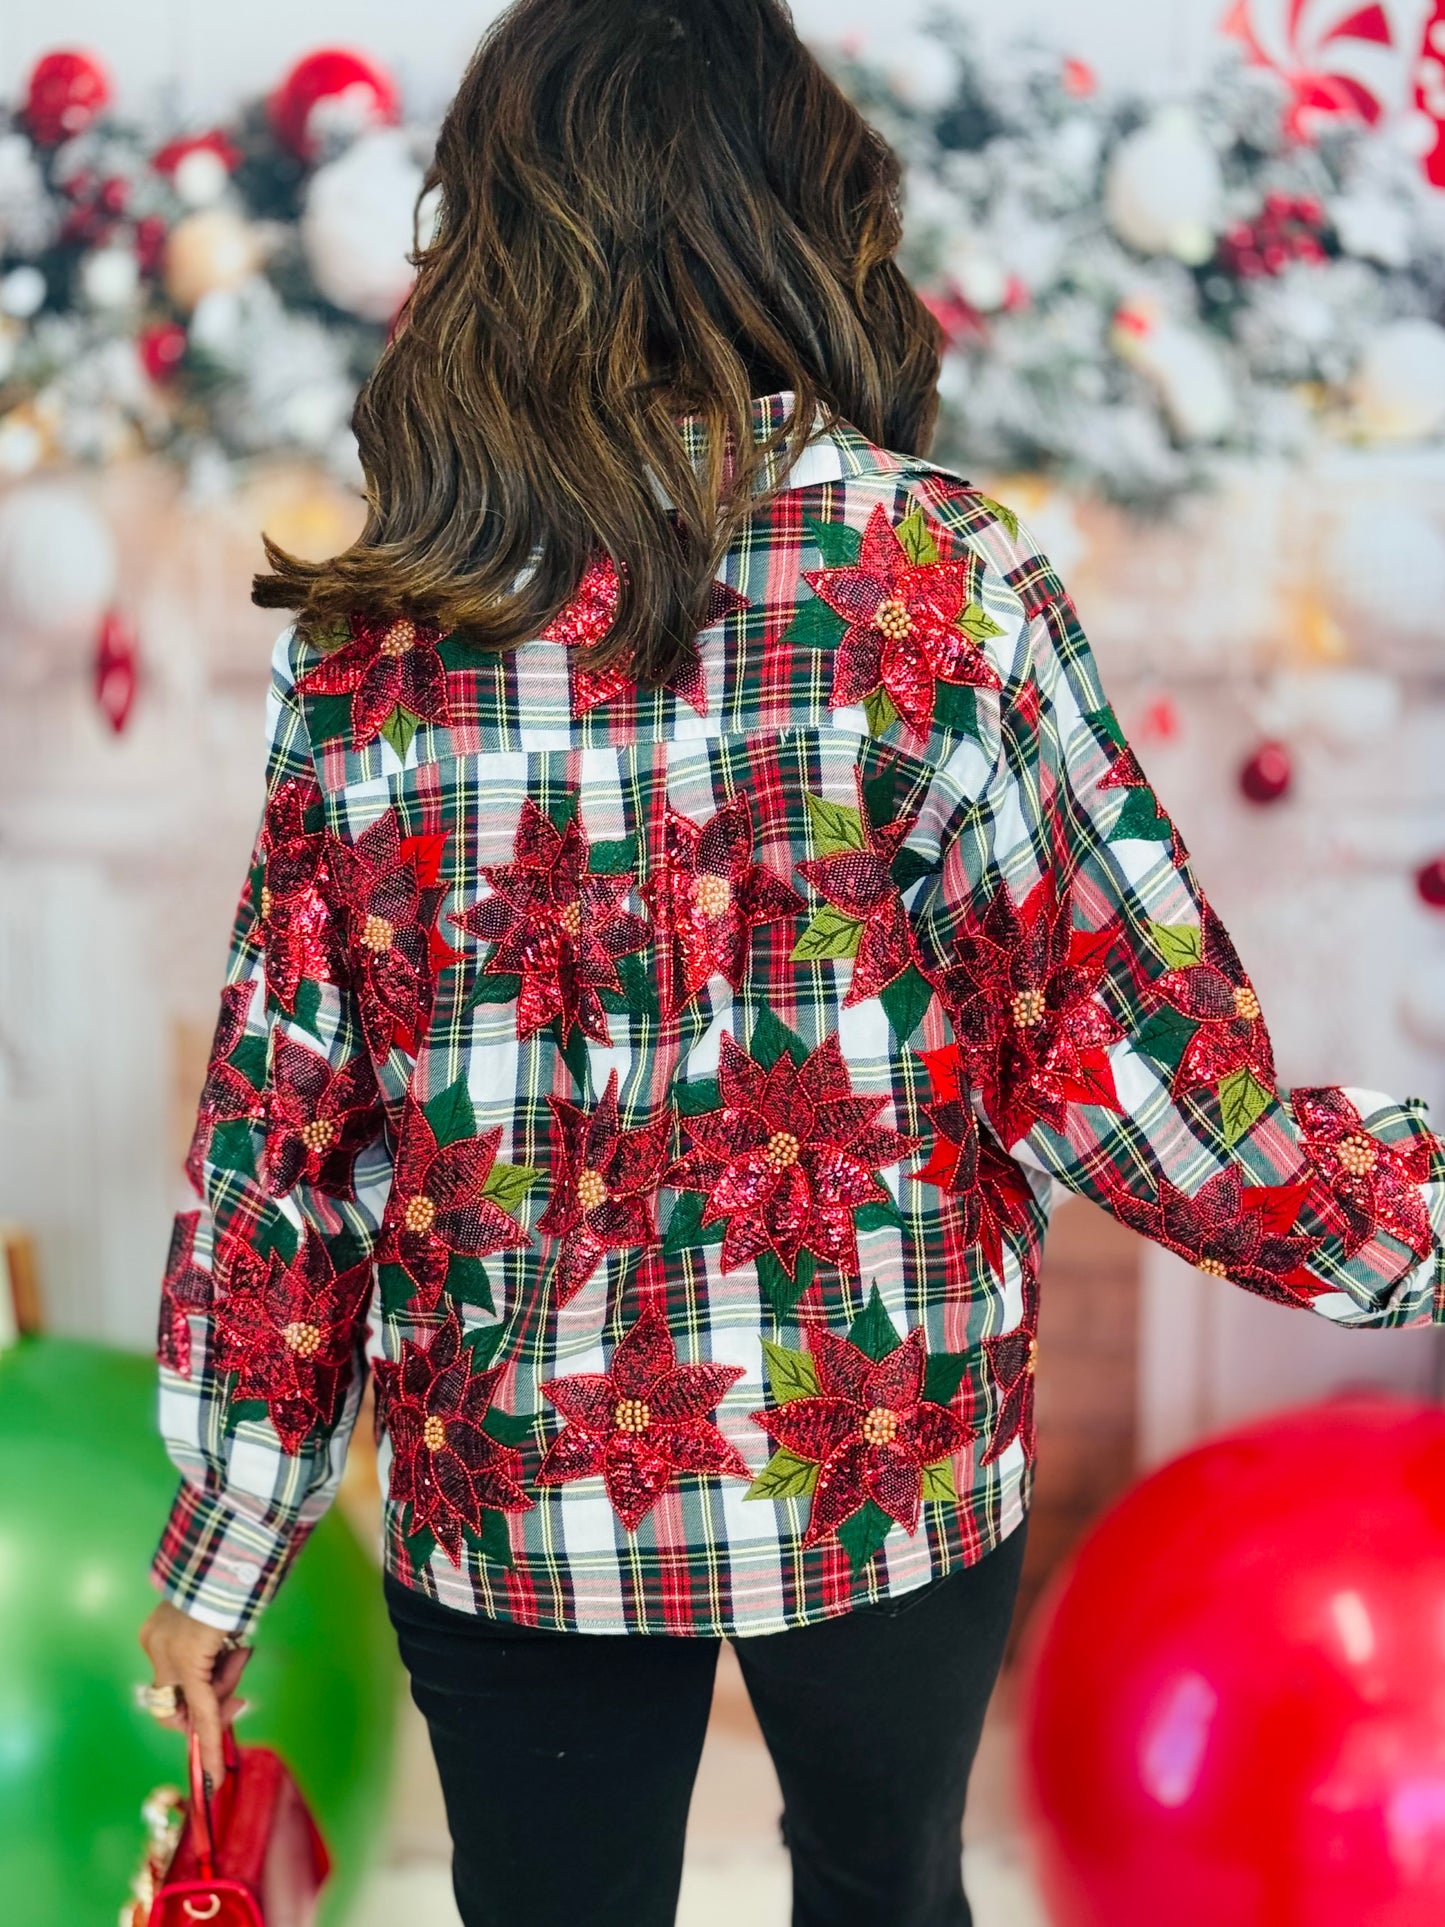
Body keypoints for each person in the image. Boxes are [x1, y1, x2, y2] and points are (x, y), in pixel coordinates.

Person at [137, 2, 1445, 1922]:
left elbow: (286, 1140)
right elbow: (1142, 1075)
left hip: (511, 1491)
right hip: (886, 1457)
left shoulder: (378, 635)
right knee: (889, 1890)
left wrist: (221, 1546)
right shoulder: (943, 581)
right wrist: (1411, 1208)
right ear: (794, 216)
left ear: (493, 231)